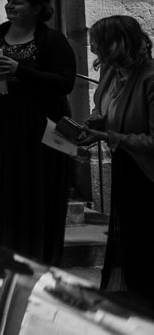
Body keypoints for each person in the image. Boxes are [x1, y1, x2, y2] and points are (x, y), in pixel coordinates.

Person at [0, 0, 76, 265]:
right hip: (0, 123)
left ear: (37, 8)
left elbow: (64, 82)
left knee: (37, 187)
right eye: (8, 0)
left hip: (37, 126)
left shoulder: (52, 41)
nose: (9, 6)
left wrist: (19, 70)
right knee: (1, 186)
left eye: (17, 2)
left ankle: (36, 257)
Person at [75, 15, 154, 308]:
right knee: (132, 243)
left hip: (147, 174)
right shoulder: (111, 71)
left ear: (116, 44)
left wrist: (107, 136)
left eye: (97, 42)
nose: (92, 48)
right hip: (125, 167)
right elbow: (105, 108)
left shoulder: (149, 78)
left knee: (145, 241)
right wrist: (93, 123)